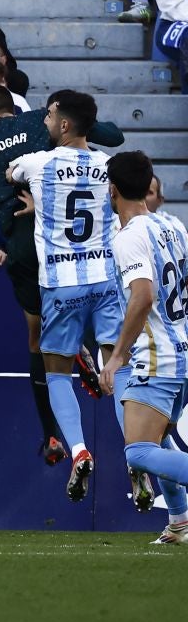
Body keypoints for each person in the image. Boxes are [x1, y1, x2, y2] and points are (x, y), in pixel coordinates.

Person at [7, 92, 119, 502]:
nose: (46, 120)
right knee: (118, 371)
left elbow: (9, 173)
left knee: (56, 374)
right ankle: (135, 456)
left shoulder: (39, 161)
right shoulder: (109, 167)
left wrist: (38, 198)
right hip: (105, 281)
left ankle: (78, 449)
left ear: (65, 124)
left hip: (61, 284)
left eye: (51, 114)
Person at [100, 151, 188, 533]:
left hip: (157, 358)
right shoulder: (174, 229)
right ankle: (179, 522)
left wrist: (117, 356)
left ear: (112, 189)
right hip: (182, 349)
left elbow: (143, 295)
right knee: (158, 440)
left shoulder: (129, 237)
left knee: (138, 451)